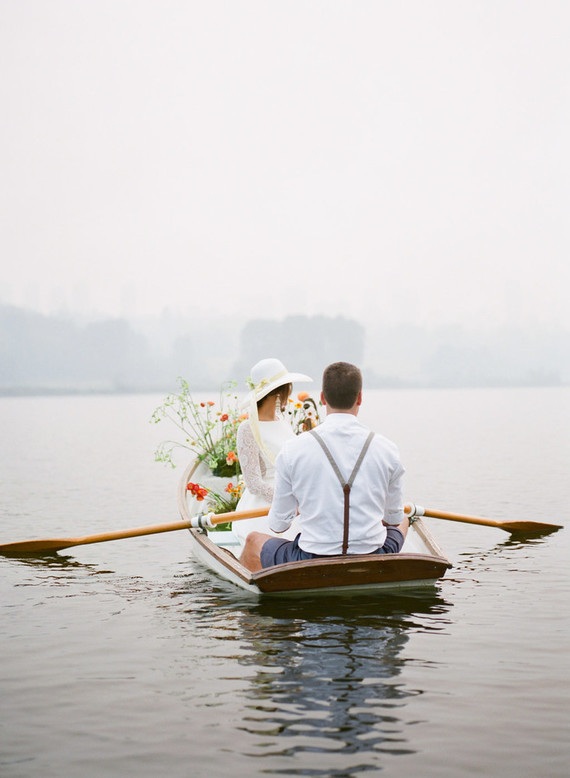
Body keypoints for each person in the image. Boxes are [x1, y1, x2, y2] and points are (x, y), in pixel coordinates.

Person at [239, 361, 409, 571]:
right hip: (374, 555)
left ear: (322, 398)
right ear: (360, 398)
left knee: (252, 540)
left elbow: (277, 526)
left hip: (310, 557)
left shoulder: (293, 450)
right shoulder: (388, 448)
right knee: (405, 521)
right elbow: (392, 519)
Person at [232, 357, 312, 541]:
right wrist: (287, 501)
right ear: (280, 391)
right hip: (268, 503)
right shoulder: (248, 428)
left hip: (295, 494)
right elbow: (253, 482)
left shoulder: (281, 419)